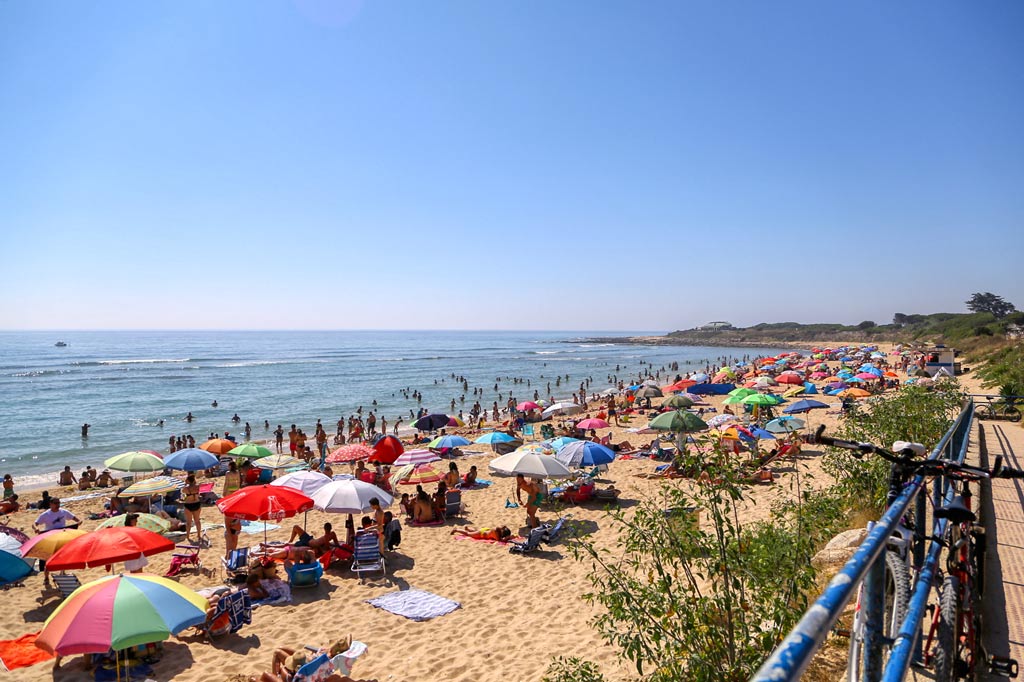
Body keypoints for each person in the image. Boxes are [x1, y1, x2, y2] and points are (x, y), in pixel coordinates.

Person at [181, 474, 203, 542]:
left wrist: (185, 484)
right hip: (196, 503)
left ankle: (188, 536)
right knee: (197, 521)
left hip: (188, 504)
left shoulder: (186, 488)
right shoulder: (197, 487)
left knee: (188, 522)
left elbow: (182, 492)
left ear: (188, 480)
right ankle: (199, 535)